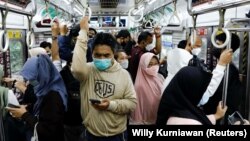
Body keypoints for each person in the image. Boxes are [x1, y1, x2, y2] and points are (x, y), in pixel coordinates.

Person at [71, 16, 137, 140]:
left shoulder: (123, 75)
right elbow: (76, 69)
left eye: (106, 55)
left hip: (117, 135)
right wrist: (83, 33)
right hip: (91, 133)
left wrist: (110, 105)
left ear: (114, 54)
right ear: (92, 54)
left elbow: (132, 103)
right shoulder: (88, 70)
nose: (102, 59)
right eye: (98, 55)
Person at [6, 54, 67, 141]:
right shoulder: (47, 89)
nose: (30, 82)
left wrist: (24, 115)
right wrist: (27, 107)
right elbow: (44, 109)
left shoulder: (53, 96)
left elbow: (47, 130)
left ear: (42, 75)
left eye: (33, 79)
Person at [156, 66, 228, 125]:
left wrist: (216, 116)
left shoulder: (176, 108)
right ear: (191, 91)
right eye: (201, 90)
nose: (203, 93)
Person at [203, 33, 245, 124]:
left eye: (218, 44)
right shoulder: (222, 67)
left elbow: (212, 92)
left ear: (227, 48)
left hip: (219, 117)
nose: (214, 47)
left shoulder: (229, 70)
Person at [130, 53, 164, 125]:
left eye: (156, 64)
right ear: (143, 65)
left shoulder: (160, 77)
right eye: (150, 64)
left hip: (159, 117)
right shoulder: (139, 85)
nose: (153, 67)